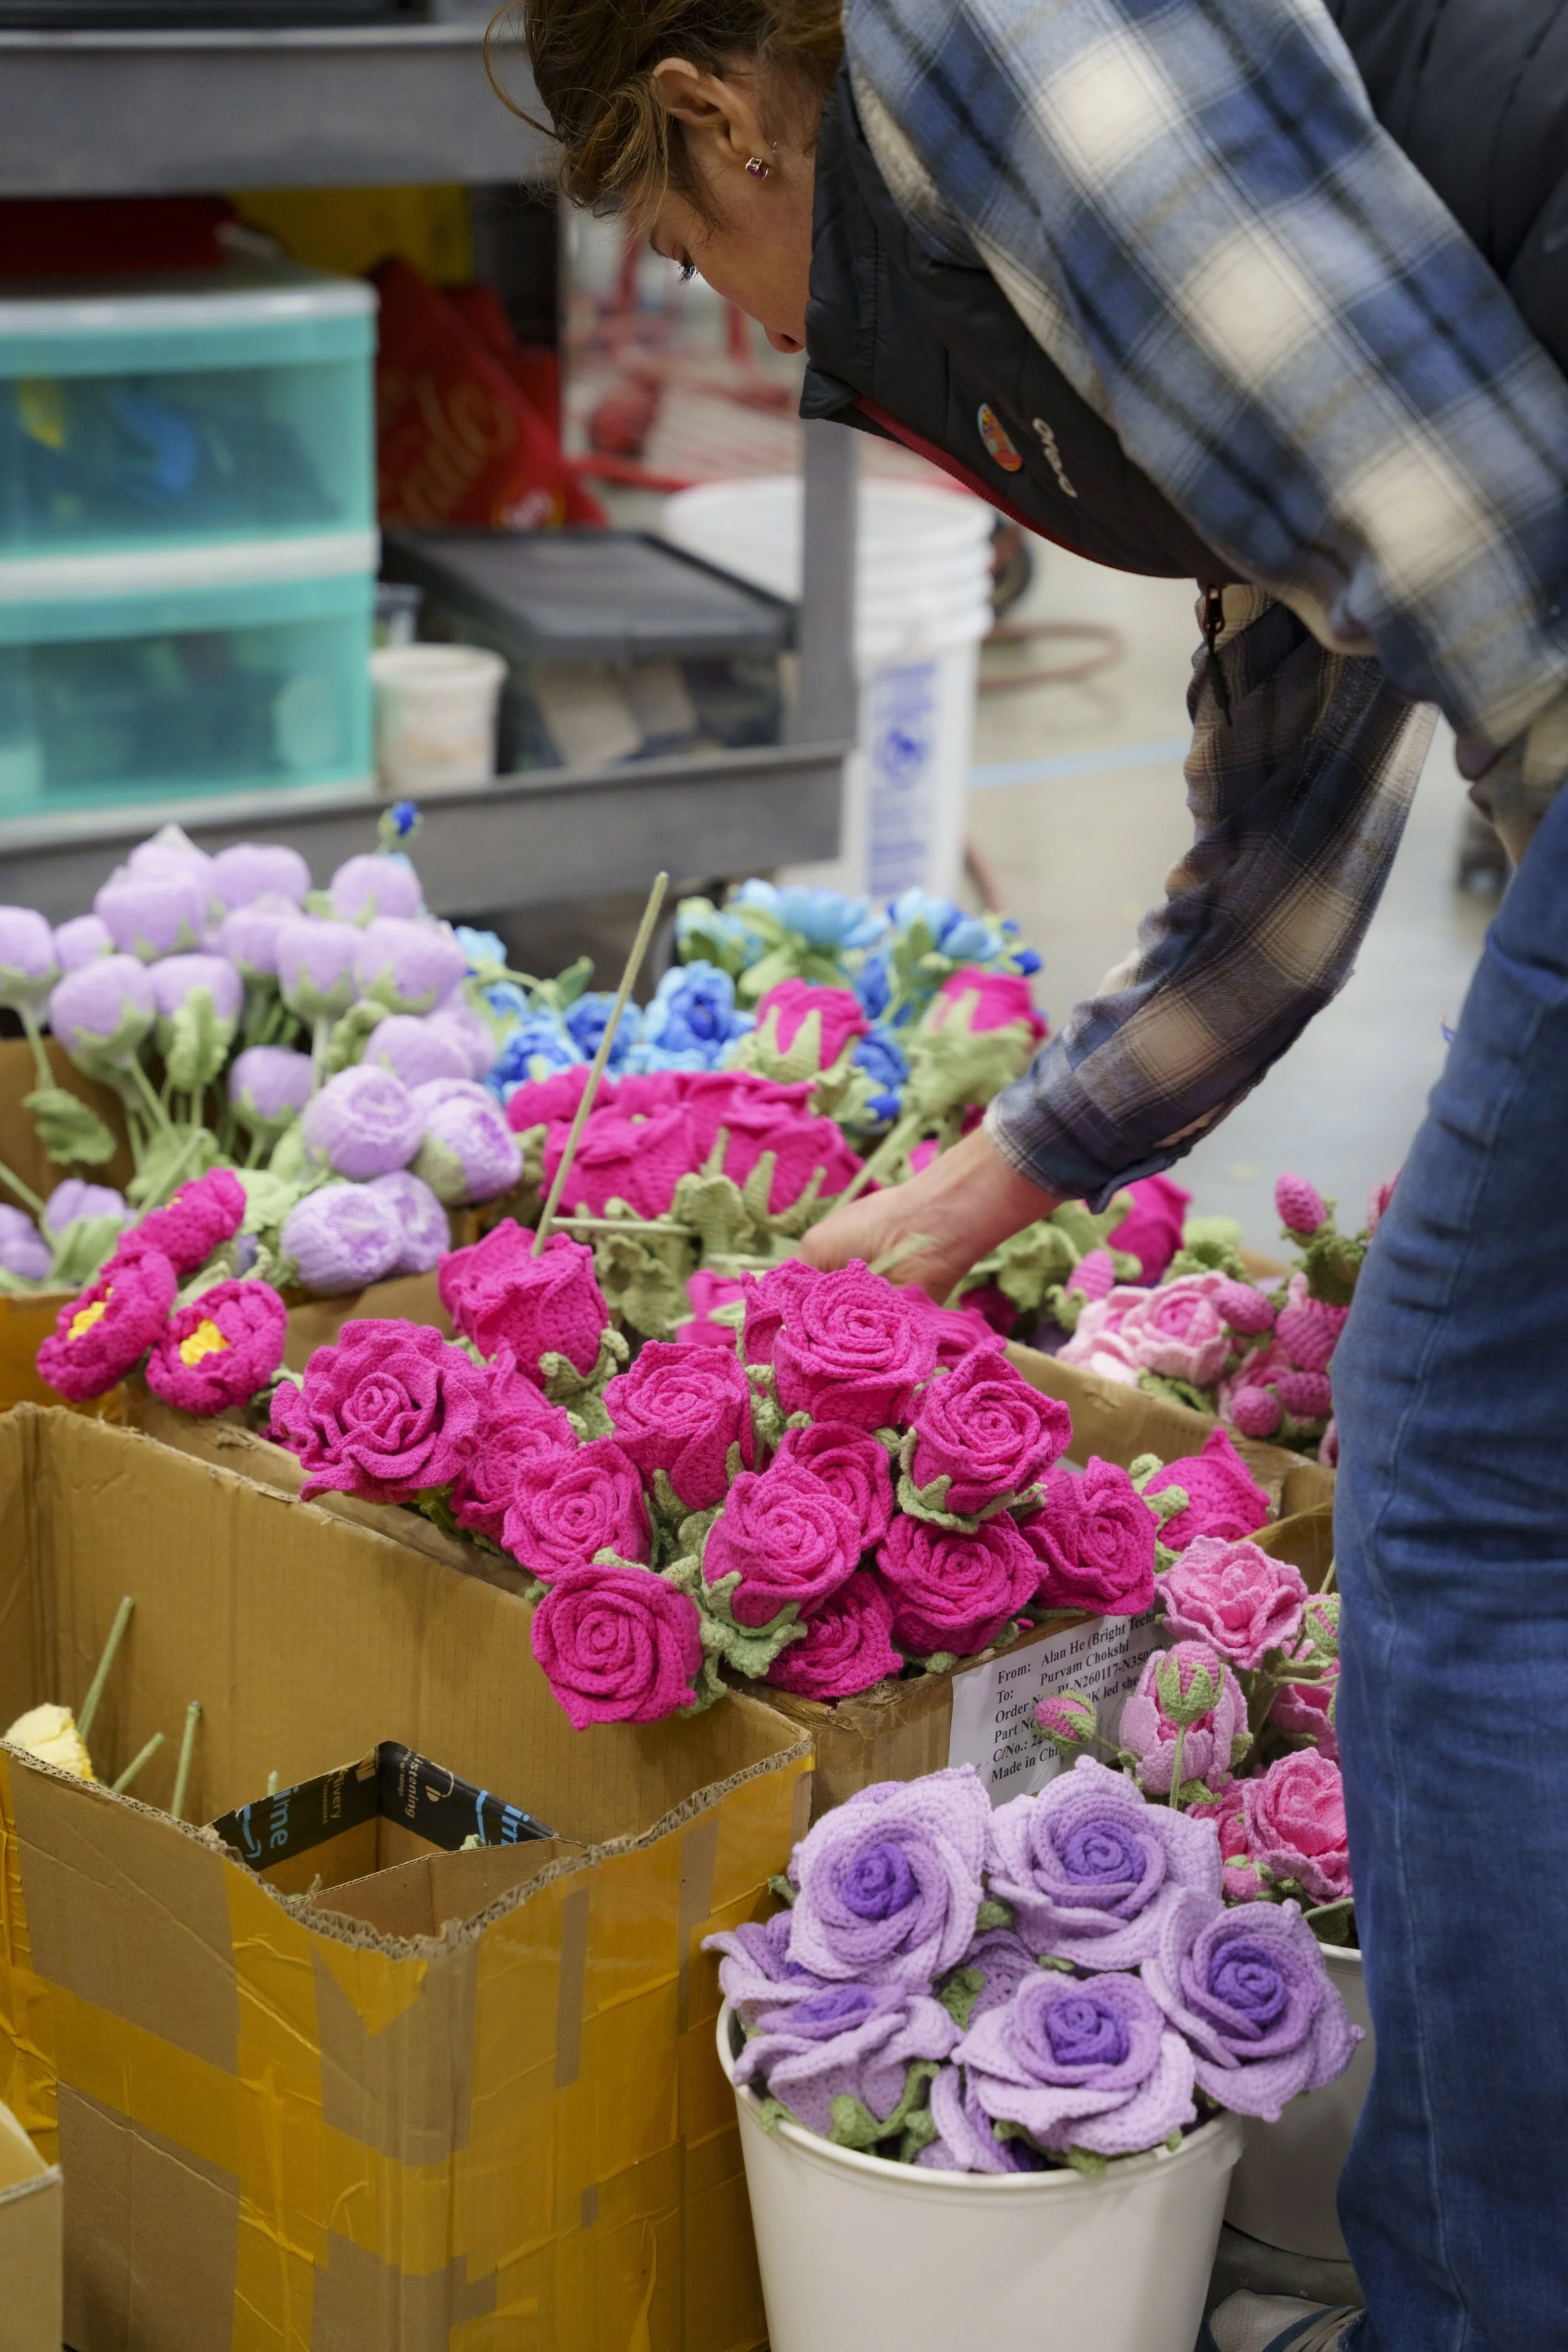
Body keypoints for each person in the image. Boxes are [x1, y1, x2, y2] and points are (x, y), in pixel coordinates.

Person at [511, 0, 1568, 2344]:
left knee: (1459, 1502)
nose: (746, 325)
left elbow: (1498, 569)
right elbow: (1306, 783)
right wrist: (1005, 1168)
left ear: (719, 113)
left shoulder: (999, 35)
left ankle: (1484, 2301)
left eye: (696, 257)